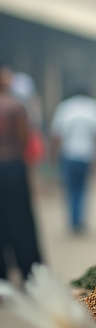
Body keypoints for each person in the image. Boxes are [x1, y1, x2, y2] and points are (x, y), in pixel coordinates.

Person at [0, 67, 42, 280]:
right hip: (13, 168)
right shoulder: (15, 105)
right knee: (21, 222)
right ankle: (30, 273)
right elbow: (23, 138)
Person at [50, 87, 96, 234]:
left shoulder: (65, 107)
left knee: (70, 189)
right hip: (87, 155)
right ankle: (79, 219)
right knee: (83, 189)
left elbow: (57, 135)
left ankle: (73, 220)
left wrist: (53, 155)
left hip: (69, 154)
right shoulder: (95, 107)